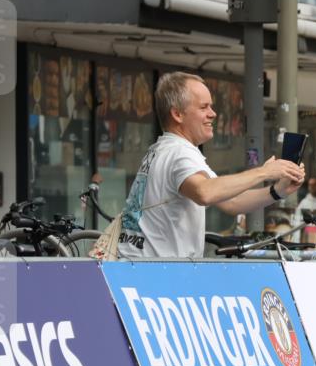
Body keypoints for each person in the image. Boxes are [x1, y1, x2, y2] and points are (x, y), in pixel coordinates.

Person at [118, 72, 304, 258]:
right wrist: (264, 172)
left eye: (211, 107)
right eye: (203, 107)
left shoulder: (162, 149)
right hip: (157, 274)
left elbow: (230, 202)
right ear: (177, 114)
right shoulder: (180, 152)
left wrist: (277, 191)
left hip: (140, 267)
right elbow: (205, 193)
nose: (213, 114)